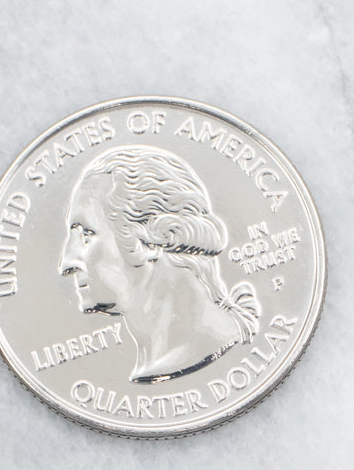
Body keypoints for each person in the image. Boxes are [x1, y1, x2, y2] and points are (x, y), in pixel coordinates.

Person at [58, 145, 260, 383]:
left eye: (86, 235)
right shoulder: (154, 364)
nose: (66, 264)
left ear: (155, 237)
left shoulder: (209, 347)